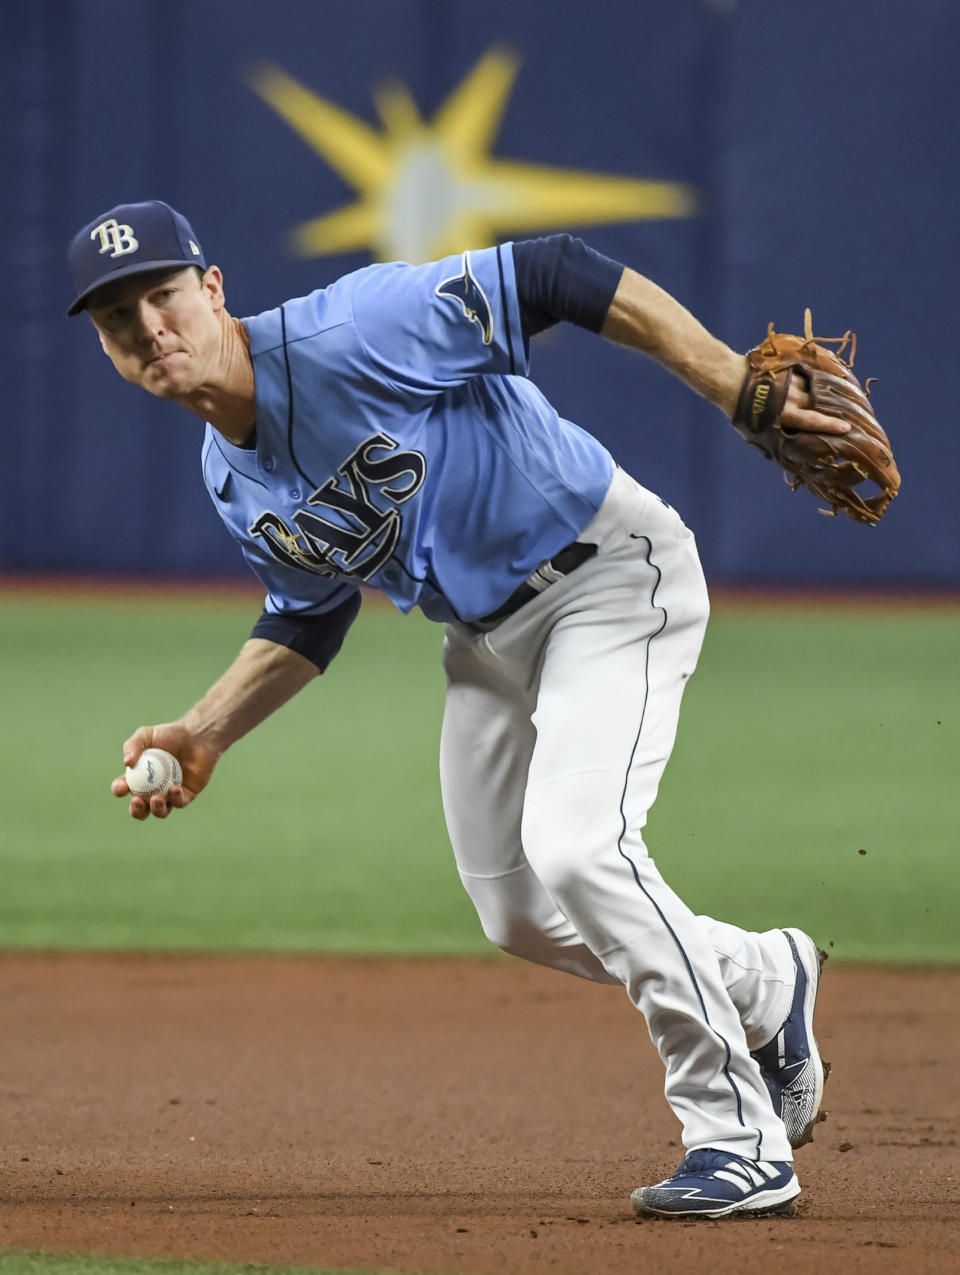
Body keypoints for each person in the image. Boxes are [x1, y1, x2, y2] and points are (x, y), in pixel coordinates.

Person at [67, 200, 836, 1220]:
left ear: (211, 290)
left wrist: (734, 388)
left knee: (580, 851)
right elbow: (308, 614)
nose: (150, 329)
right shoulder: (226, 474)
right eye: (119, 318)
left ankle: (738, 1138)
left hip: (608, 574)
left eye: (161, 295)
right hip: (486, 638)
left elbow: (557, 272)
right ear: (107, 347)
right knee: (519, 908)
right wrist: (203, 730)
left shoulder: (353, 329)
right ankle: (761, 980)